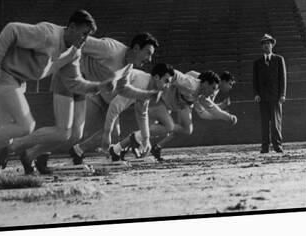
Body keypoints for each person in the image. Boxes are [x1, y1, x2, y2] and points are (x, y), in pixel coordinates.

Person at [0, 9, 97, 160]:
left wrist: (98, 86)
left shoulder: (74, 53)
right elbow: (12, 29)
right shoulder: (47, 35)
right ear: (72, 27)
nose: (85, 39)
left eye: (88, 35)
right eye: (84, 33)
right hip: (3, 75)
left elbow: (74, 82)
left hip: (18, 83)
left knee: (4, 138)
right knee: (26, 126)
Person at [68, 32, 160, 164]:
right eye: (148, 53)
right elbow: (76, 38)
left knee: (113, 132)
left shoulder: (129, 67)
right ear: (136, 48)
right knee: (73, 132)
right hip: (79, 82)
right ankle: (40, 151)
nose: (149, 59)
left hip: (101, 94)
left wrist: (146, 139)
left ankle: (77, 150)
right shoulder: (110, 49)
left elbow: (141, 112)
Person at [113, 70, 237, 161]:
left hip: (171, 104)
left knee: (160, 130)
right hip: (160, 100)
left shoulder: (202, 94)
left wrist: (227, 117)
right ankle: (136, 142)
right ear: (205, 84)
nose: (212, 93)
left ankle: (118, 148)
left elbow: (212, 109)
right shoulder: (191, 83)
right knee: (167, 128)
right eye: (212, 88)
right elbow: (174, 73)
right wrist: (163, 85)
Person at [101, 63, 175, 160]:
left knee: (114, 134)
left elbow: (142, 113)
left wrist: (146, 139)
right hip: (99, 91)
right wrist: (107, 134)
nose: (168, 86)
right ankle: (78, 150)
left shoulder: (149, 87)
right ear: (156, 77)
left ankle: (109, 153)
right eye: (166, 81)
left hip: (107, 93)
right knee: (112, 134)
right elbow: (115, 107)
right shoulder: (141, 84)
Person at [253, 34, 287, 154]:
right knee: (264, 122)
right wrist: (256, 93)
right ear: (262, 46)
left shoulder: (279, 59)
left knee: (276, 122)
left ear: (272, 45)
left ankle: (278, 145)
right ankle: (265, 147)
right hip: (262, 97)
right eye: (264, 43)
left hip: (276, 96)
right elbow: (255, 80)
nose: (267, 45)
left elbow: (283, 78)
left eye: (268, 43)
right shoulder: (257, 62)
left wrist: (282, 94)